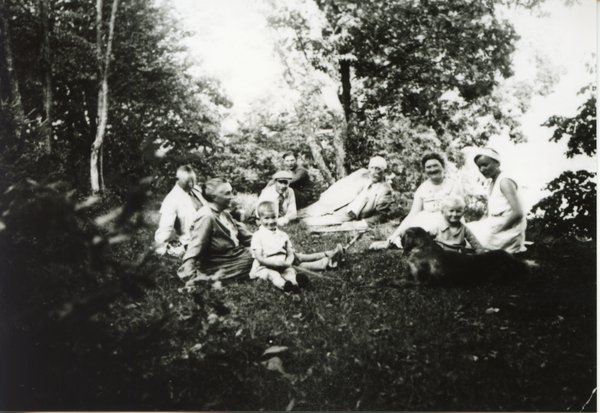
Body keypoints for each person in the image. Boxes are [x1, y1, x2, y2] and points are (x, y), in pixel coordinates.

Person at [178, 178, 254, 283]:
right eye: (228, 193)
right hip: (217, 263)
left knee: (262, 253)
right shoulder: (207, 216)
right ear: (214, 197)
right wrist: (189, 276)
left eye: (231, 192)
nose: (232, 196)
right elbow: (195, 247)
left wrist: (272, 240)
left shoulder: (224, 213)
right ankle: (208, 278)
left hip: (234, 256)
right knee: (257, 258)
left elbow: (247, 237)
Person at [386, 152, 465, 246]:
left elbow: (455, 211)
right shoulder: (422, 189)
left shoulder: (454, 184)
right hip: (426, 222)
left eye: (435, 165)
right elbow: (412, 215)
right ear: (424, 170)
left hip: (448, 222)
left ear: (443, 167)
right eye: (428, 167)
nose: (432, 169)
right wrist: (395, 234)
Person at [300, 156, 393, 228]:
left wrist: (359, 224)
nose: (373, 172)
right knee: (300, 213)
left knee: (308, 222)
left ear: (384, 171)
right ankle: (289, 218)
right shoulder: (361, 173)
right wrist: (327, 195)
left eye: (377, 169)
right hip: (335, 202)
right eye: (371, 168)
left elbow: (381, 216)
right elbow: (342, 182)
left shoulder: (385, 189)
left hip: (347, 214)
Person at [467, 148, 526, 253]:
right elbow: (490, 212)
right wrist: (478, 225)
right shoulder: (493, 182)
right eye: (479, 166)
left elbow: (518, 213)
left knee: (466, 238)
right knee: (463, 229)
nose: (482, 170)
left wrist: (498, 229)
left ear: (497, 163)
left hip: (508, 230)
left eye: (485, 165)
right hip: (495, 224)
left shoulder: (505, 181)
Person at [154, 165, 207, 255]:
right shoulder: (171, 199)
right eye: (188, 182)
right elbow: (165, 228)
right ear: (178, 180)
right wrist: (160, 248)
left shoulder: (196, 190)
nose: (191, 185)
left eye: (193, 181)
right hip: (192, 244)